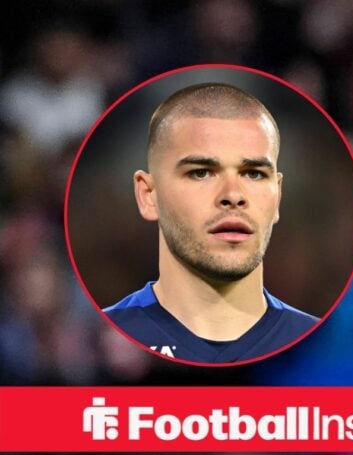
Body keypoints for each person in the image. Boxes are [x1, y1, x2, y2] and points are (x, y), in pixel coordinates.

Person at [103, 82, 318, 363]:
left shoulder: (319, 348)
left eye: (253, 174)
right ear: (148, 195)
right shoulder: (102, 343)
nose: (232, 196)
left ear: (277, 196)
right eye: (201, 173)